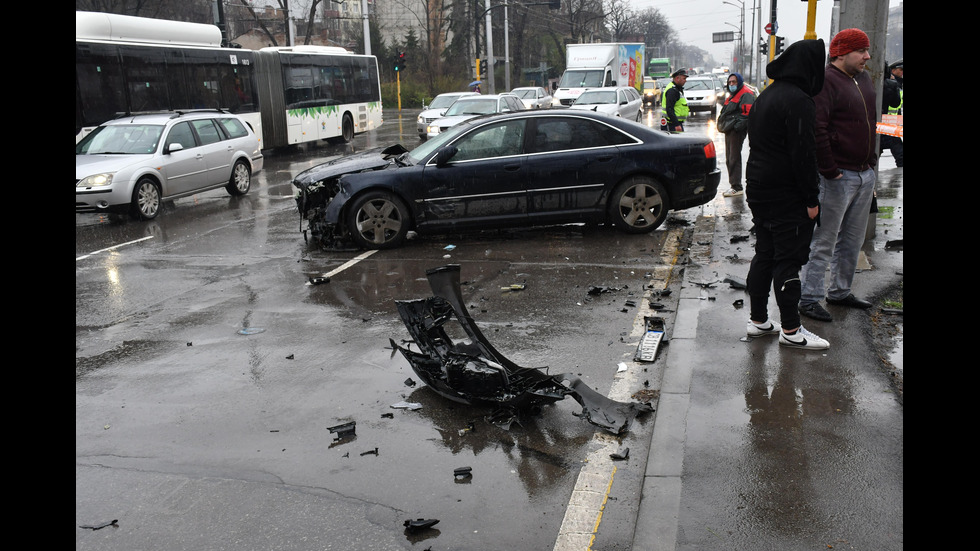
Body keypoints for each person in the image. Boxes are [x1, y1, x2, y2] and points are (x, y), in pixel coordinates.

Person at [743, 38, 829, 350]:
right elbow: (803, 155)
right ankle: (792, 330)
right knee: (788, 259)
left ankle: (758, 321)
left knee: (765, 252)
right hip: (787, 192)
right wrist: (811, 199)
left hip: (759, 187)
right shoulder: (799, 100)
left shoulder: (766, 95)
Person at [798, 28, 878, 323]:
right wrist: (830, 171)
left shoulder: (864, 79)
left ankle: (840, 291)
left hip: (863, 173)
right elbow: (818, 129)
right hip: (837, 176)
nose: (867, 57)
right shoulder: (825, 82)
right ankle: (809, 297)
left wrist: (870, 163)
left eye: (867, 50)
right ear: (841, 52)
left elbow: (871, 122)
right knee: (824, 240)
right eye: (861, 51)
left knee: (853, 240)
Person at [717, 72, 755, 197]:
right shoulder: (734, 94)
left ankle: (736, 186)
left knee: (733, 158)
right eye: (730, 82)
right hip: (730, 129)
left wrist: (736, 127)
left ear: (739, 82)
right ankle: (734, 185)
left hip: (735, 131)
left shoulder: (746, 94)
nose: (732, 84)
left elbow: (747, 114)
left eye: (734, 82)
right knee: (730, 158)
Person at [880, 60, 903, 167]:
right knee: (899, 153)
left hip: (891, 122)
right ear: (892, 70)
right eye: (901, 70)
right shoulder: (892, 84)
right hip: (887, 122)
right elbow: (895, 103)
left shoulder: (897, 83)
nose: (903, 72)